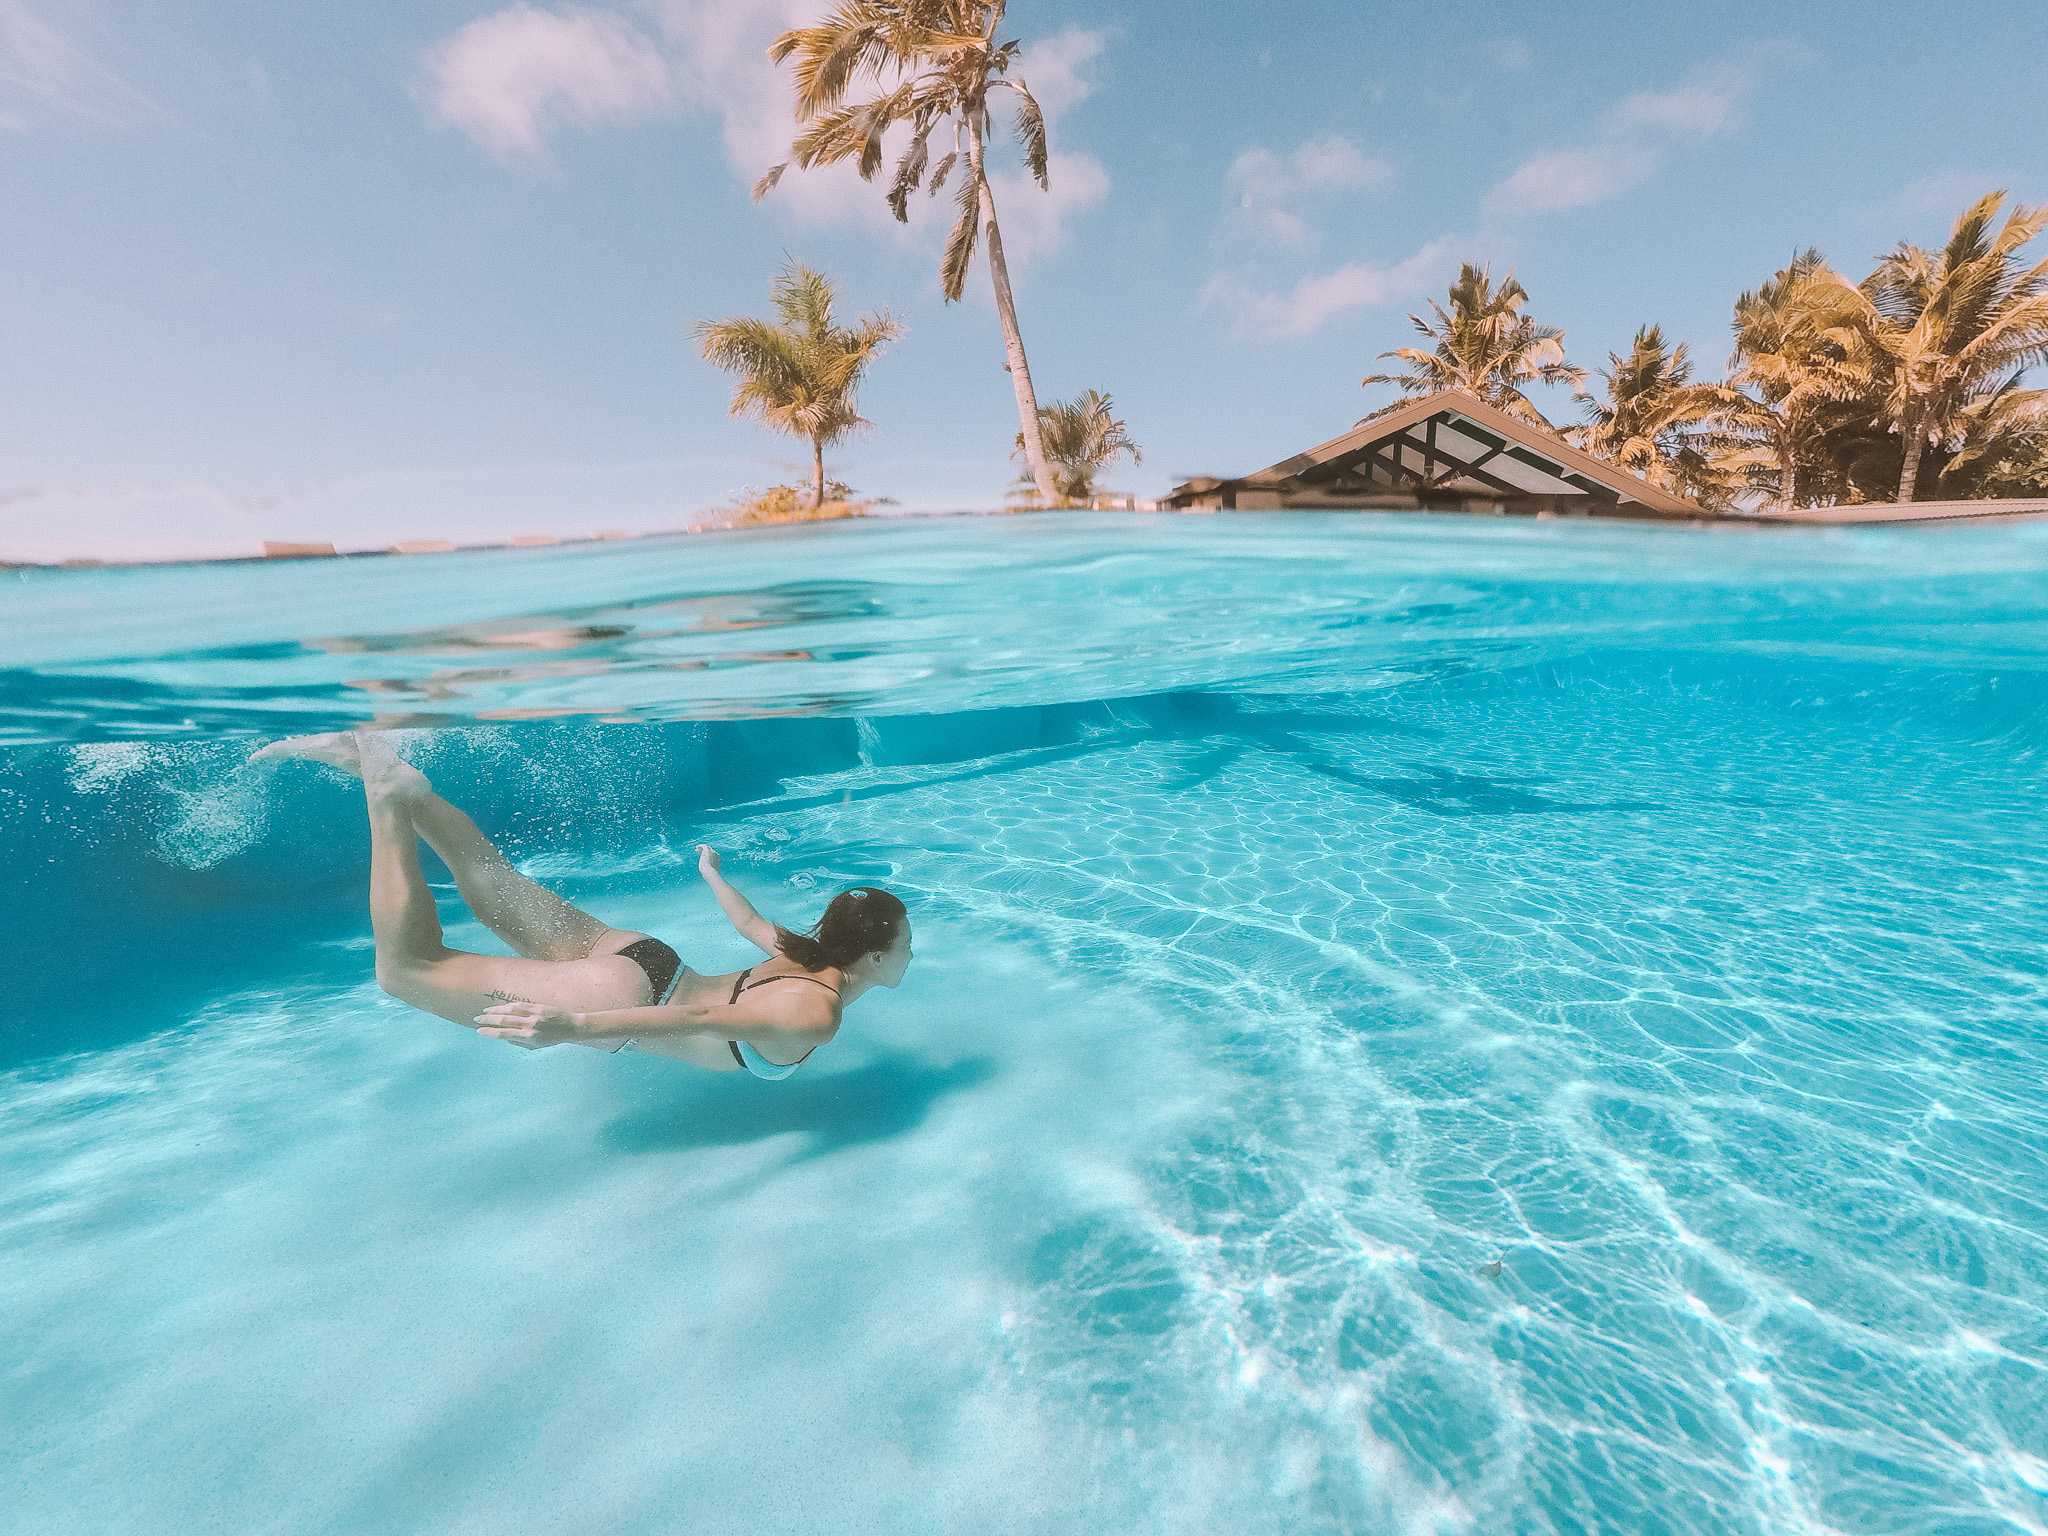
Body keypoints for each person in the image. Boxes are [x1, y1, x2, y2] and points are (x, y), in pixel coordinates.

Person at [249, 730, 911, 1077]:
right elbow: (711, 1018)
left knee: (497, 892)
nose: (910, 953)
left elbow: (745, 921)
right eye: (905, 945)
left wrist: (712, 872)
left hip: (648, 957)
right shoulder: (818, 1013)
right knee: (405, 970)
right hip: (624, 999)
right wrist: (578, 1028)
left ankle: (405, 785)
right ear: (876, 955)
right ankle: (388, 798)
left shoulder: (798, 952)